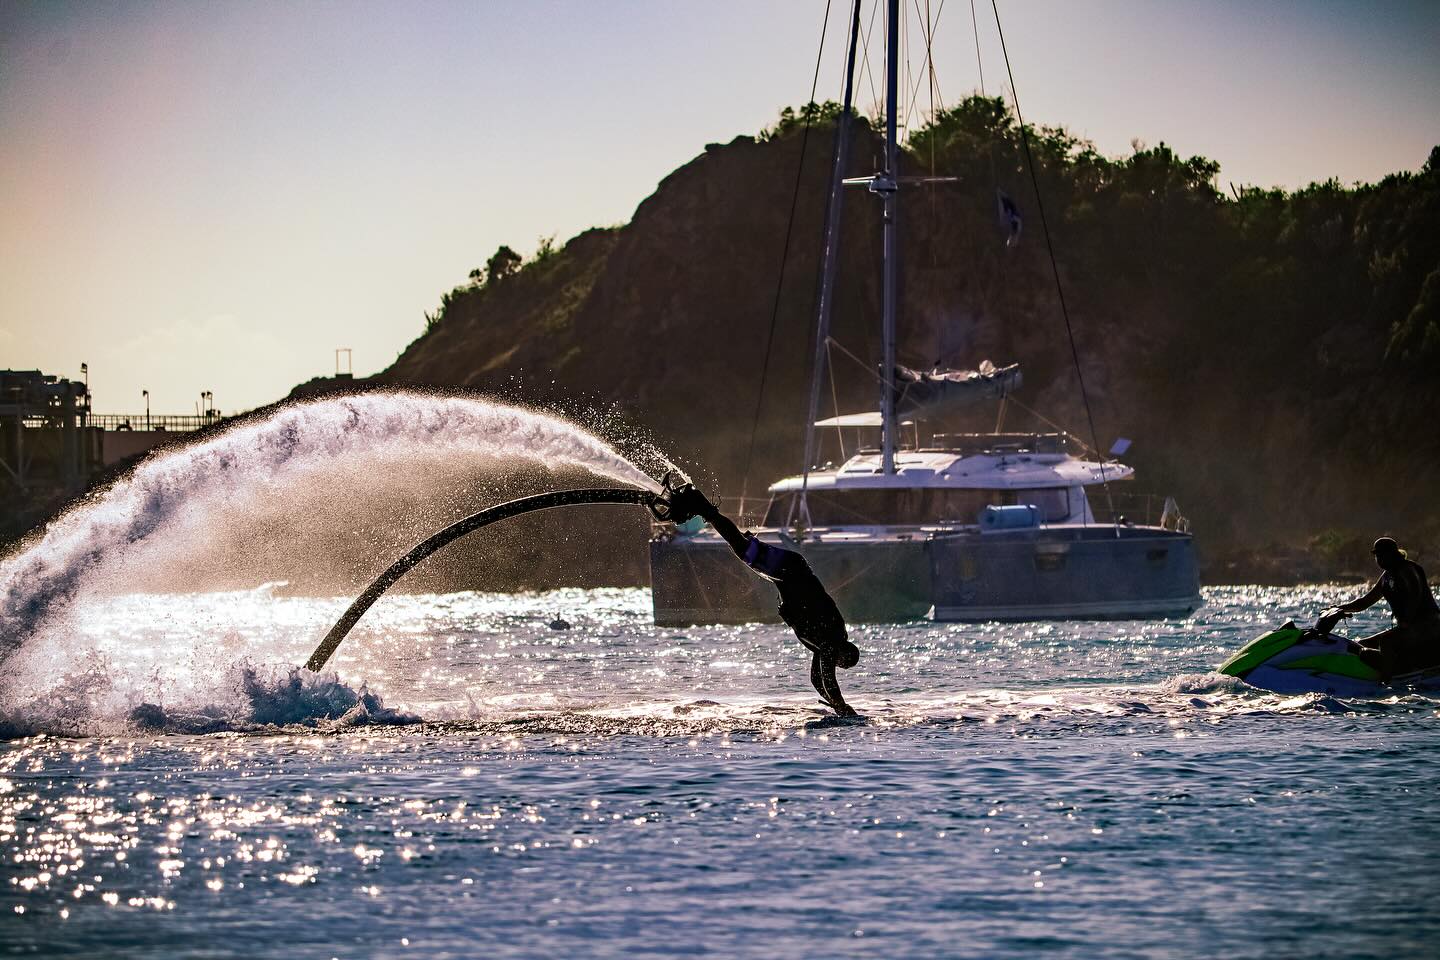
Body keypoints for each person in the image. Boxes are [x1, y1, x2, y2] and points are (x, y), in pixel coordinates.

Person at [666, 483, 860, 717]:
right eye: (839, 662)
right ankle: (701, 505)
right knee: (742, 547)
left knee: (742, 549)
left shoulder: (823, 647)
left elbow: (817, 679)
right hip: (790, 570)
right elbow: (826, 676)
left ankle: (703, 507)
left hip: (787, 574)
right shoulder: (832, 639)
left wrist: (834, 703)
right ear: (842, 654)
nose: (833, 664)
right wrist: (840, 704)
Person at [1325, 537, 1440, 681]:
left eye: (1382, 555)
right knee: (1359, 645)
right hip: (1409, 628)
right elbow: (1365, 601)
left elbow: (1414, 592)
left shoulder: (1408, 569)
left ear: (1393, 553)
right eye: (1377, 555)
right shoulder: (1386, 576)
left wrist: (1407, 621)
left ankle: (1387, 682)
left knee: (1386, 641)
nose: (1379, 559)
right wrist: (1338, 608)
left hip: (1428, 626)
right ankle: (1359, 675)